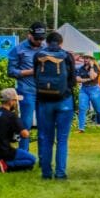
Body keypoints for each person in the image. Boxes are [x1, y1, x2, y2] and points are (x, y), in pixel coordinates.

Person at [33, 31, 77, 180]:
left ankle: (46, 173)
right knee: (62, 139)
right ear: (61, 43)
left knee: (46, 138)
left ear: (47, 42)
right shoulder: (67, 56)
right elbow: (73, 81)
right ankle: (60, 173)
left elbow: (35, 76)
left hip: (44, 100)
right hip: (64, 100)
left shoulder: (38, 56)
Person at [6, 21, 47, 151]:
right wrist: (31, 71)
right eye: (36, 39)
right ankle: (24, 154)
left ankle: (43, 157)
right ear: (29, 35)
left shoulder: (46, 48)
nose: (39, 41)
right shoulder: (18, 49)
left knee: (43, 125)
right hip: (26, 91)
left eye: (41, 38)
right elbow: (11, 71)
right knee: (26, 125)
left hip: (43, 91)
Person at [0, 88, 37, 172]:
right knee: (32, 160)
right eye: (15, 101)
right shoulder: (11, 116)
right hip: (4, 152)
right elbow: (25, 134)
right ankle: (5, 165)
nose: (16, 103)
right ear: (10, 101)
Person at [76, 55, 100, 132]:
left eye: (87, 58)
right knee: (82, 108)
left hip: (95, 90)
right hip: (84, 90)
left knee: (98, 109)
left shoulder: (95, 68)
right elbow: (77, 79)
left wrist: (91, 66)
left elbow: (93, 77)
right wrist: (87, 79)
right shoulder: (81, 68)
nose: (85, 59)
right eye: (84, 58)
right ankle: (81, 128)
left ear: (91, 60)